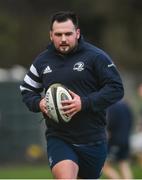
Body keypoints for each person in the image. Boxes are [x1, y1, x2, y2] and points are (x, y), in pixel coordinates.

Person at [20, 11, 124, 179]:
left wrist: (84, 103)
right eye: (58, 34)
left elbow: (116, 88)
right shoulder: (42, 61)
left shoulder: (96, 57)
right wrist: (38, 103)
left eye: (68, 34)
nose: (63, 39)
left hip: (93, 138)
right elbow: (26, 89)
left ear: (77, 33)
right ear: (51, 35)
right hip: (59, 137)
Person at [103, 99, 133, 179]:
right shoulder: (125, 105)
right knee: (124, 164)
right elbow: (131, 120)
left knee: (105, 166)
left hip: (114, 141)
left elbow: (110, 123)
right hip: (126, 139)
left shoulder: (111, 106)